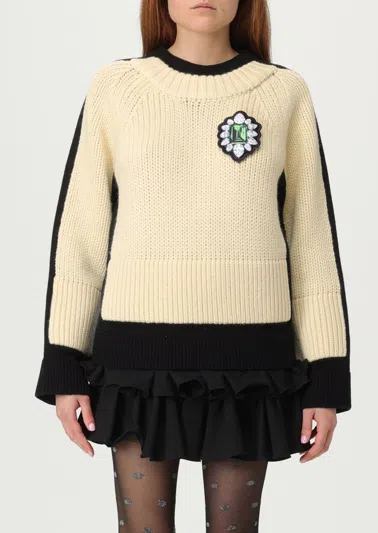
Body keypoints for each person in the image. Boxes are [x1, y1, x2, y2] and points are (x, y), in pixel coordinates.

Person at [34, 0, 352, 531]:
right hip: (137, 362)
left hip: (250, 366)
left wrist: (327, 376)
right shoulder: (117, 88)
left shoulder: (283, 92)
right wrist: (64, 361)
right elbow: (81, 234)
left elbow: (311, 239)